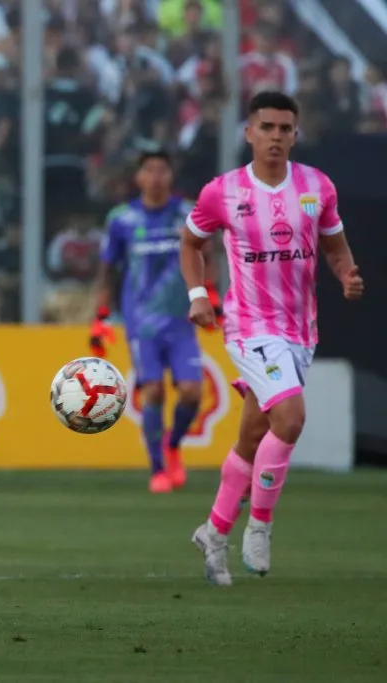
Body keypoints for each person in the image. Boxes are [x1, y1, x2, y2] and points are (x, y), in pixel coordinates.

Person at [182, 91, 363, 585]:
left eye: (285, 129)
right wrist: (199, 294)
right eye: (267, 128)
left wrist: (346, 274)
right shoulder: (223, 191)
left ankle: (214, 533)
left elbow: (335, 247)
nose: (276, 137)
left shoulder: (316, 187)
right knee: (290, 416)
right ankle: (259, 525)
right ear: (249, 133)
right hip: (249, 326)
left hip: (299, 332)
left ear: (295, 134)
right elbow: (191, 242)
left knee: (252, 436)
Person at [94, 151, 215, 494]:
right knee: (153, 391)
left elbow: (208, 256)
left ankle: (172, 444)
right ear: (139, 178)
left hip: (181, 319)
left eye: (163, 169)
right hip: (141, 322)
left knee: (191, 393)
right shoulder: (122, 218)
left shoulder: (187, 213)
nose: (157, 176)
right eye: (150, 170)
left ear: (171, 176)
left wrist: (210, 297)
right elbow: (108, 269)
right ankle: (158, 469)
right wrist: (101, 316)